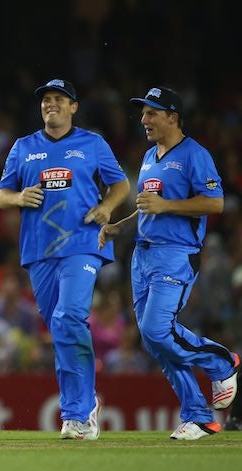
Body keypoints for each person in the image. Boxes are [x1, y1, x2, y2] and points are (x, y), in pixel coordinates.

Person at [99, 86, 239, 440]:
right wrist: (121, 224)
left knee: (157, 329)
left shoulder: (195, 154)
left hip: (176, 253)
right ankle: (198, 416)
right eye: (143, 113)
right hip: (143, 254)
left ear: (173, 117)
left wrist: (166, 207)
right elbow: (150, 204)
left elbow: (215, 203)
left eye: (151, 113)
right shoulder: (150, 156)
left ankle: (222, 362)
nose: (144, 119)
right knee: (153, 337)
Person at [0, 79, 130, 440]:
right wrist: (20, 197)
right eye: (46, 100)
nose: (50, 104)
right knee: (63, 330)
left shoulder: (93, 144)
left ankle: (78, 412)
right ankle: (81, 409)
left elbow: (121, 185)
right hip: (39, 250)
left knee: (68, 317)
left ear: (74, 107)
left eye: (59, 99)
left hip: (84, 244)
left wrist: (106, 207)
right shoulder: (24, 147)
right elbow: (1, 195)